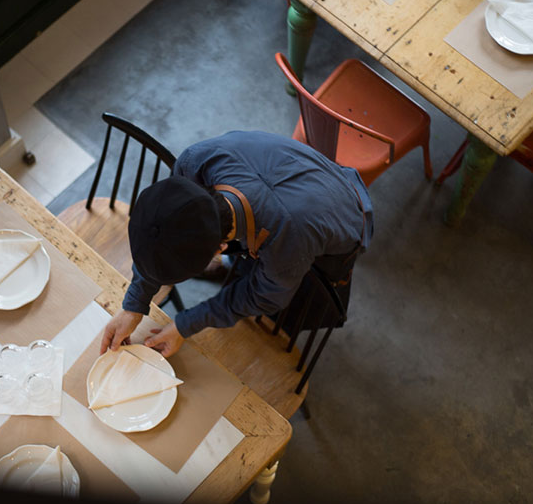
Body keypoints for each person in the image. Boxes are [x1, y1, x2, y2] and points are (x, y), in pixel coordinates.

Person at [99, 130, 373, 358]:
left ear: (219, 248)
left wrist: (185, 324)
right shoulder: (195, 162)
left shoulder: (289, 240)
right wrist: (134, 305)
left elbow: (263, 297)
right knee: (262, 271)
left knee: (283, 315)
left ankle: (244, 278)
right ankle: (232, 268)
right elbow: (161, 230)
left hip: (345, 211)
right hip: (292, 180)